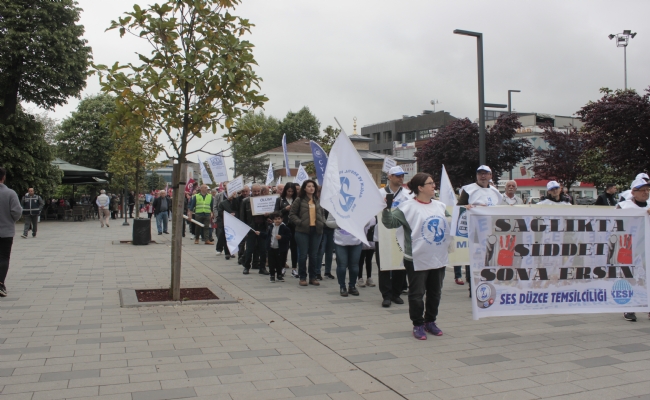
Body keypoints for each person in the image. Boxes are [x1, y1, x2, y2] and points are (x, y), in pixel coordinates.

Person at [382, 172, 453, 340]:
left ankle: (431, 321)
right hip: (416, 259)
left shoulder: (440, 206)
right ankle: (418, 324)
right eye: (430, 183)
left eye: (433, 183)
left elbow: (453, 224)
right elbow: (390, 223)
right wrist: (387, 208)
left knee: (435, 292)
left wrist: (467, 210)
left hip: (438, 257)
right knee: (417, 294)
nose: (433, 186)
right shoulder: (408, 207)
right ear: (420, 188)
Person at [456, 165, 503, 294]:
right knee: (475, 261)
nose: (483, 176)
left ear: (490, 176)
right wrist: (470, 207)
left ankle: (490, 286)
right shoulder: (469, 190)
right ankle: (474, 288)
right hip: (475, 232)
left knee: (490, 260)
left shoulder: (496, 192)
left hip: (491, 232)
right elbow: (459, 208)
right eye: (480, 173)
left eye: (485, 173)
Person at [375, 166, 413, 307]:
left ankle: (396, 293)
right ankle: (386, 295)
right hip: (383, 235)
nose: (400, 178)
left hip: (401, 235)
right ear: (389, 177)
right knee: (384, 266)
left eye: (402, 175)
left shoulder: (409, 194)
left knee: (400, 265)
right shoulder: (379, 193)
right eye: (397, 176)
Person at [617, 178, 650, 322]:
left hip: (647, 248)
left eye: (647, 189)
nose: (646, 192)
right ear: (633, 192)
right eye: (642, 190)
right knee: (630, 277)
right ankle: (629, 307)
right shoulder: (623, 206)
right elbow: (613, 225)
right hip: (630, 248)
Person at [289, 180, 325, 286]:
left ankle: (313, 277)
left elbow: (322, 213)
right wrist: (300, 222)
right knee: (303, 255)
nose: (311, 188)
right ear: (304, 188)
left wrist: (322, 222)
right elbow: (292, 214)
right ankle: (302, 277)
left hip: (316, 230)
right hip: (302, 231)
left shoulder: (318, 200)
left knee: (314, 255)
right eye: (309, 186)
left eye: (313, 186)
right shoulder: (299, 200)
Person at [326, 213, 367, 296]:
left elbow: (367, 221)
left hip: (356, 240)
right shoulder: (336, 204)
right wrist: (342, 222)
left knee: (354, 265)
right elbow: (329, 222)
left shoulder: (359, 204)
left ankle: (352, 286)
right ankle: (342, 286)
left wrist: (355, 222)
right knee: (342, 265)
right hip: (340, 240)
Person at [0, 167, 23, 297]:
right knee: (3, 257)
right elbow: (17, 211)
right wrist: (10, 220)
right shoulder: (10, 193)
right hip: (5, 231)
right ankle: (0, 283)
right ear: (3, 177)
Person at [240, 184, 269, 275]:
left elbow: (271, 214)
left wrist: (267, 216)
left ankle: (262, 267)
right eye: (254, 191)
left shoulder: (264, 200)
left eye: (258, 191)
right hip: (251, 227)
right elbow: (242, 217)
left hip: (262, 227)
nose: (256, 193)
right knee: (249, 249)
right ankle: (246, 267)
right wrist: (244, 229)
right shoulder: (246, 201)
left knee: (263, 249)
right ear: (251, 191)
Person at [275, 183, 299, 277]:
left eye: (292, 191)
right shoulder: (280, 200)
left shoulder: (297, 200)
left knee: (294, 247)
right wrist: (285, 209)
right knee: (283, 247)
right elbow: (276, 212)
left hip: (294, 226)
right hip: (284, 226)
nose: (290, 193)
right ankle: (282, 267)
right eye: (288, 191)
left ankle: (294, 268)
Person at [267, 212, 291, 283]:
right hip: (271, 247)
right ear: (273, 220)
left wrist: (282, 237)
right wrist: (261, 234)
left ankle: (279, 275)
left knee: (279, 263)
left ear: (282, 219)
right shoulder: (270, 227)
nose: (277, 220)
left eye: (279, 219)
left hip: (280, 249)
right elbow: (268, 236)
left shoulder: (285, 228)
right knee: (271, 263)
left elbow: (289, 236)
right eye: (275, 219)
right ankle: (272, 275)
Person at [358, 217, 377, 288]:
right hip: (362, 241)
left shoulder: (374, 218)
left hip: (370, 242)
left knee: (369, 260)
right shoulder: (361, 216)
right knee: (360, 261)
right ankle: (360, 278)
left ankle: (369, 277)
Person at [216, 192, 236, 260]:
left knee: (233, 238)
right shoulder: (223, 203)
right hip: (225, 222)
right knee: (226, 238)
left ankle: (232, 251)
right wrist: (228, 215)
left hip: (234, 222)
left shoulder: (236, 202)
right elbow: (220, 212)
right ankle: (227, 253)